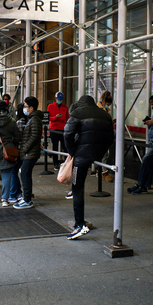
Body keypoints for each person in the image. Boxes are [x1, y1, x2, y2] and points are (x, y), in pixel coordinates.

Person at [63, 95, 114, 240]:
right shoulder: (105, 114)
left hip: (81, 156)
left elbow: (68, 133)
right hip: (97, 155)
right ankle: (80, 223)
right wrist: (100, 151)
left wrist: (72, 151)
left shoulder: (77, 113)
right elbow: (111, 137)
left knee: (77, 188)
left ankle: (79, 225)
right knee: (77, 187)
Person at [14, 97, 43, 209]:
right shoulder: (32, 118)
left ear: (31, 108)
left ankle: (27, 200)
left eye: (26, 106)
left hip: (30, 152)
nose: (24, 108)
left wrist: (24, 148)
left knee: (25, 174)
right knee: (25, 174)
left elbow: (35, 136)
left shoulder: (34, 119)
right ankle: (26, 198)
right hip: (29, 152)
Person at [96, 91, 116, 182]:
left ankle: (100, 171)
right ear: (104, 102)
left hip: (106, 133)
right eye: (108, 103)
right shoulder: (99, 110)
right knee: (104, 154)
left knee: (104, 154)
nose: (109, 105)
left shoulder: (106, 109)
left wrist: (111, 121)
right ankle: (104, 172)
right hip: (101, 134)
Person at [9, 103, 27, 203]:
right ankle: (18, 193)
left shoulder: (19, 122)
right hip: (25, 150)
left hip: (19, 149)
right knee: (17, 171)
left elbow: (19, 137)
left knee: (13, 171)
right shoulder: (28, 120)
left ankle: (14, 194)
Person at [48, 91, 69, 171]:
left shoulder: (65, 107)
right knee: (55, 147)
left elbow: (67, 117)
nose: (60, 101)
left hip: (63, 129)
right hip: (54, 129)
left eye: (61, 99)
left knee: (65, 146)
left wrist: (67, 126)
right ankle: (55, 163)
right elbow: (49, 117)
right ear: (55, 98)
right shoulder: (50, 106)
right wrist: (55, 117)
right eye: (59, 99)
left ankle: (67, 162)